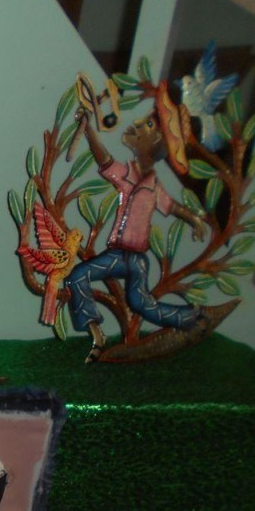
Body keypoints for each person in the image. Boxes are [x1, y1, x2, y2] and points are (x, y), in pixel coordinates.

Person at [64, 94, 209, 362]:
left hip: (137, 259)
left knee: (142, 303)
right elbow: (104, 159)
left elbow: (172, 206)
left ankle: (190, 317)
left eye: (148, 126)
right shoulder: (126, 174)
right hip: (117, 256)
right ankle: (96, 334)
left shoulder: (154, 186)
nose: (138, 124)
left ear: (156, 141)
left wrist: (195, 219)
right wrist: (88, 131)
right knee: (77, 276)